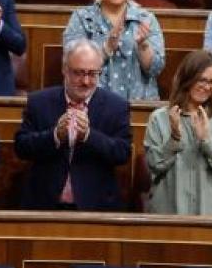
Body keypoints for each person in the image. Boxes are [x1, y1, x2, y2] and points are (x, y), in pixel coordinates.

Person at [14, 38, 131, 211]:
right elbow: (22, 147)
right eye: (79, 73)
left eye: (93, 74)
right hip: (44, 206)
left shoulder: (116, 106)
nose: (86, 81)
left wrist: (89, 136)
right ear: (65, 70)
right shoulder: (39, 102)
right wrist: (55, 135)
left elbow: (122, 153)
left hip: (96, 208)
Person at [144, 50, 212, 216]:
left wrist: (207, 140)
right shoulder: (159, 118)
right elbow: (153, 165)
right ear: (187, 78)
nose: (207, 87)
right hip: (169, 215)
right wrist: (174, 138)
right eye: (202, 80)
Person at [62, 0, 165, 101]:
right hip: (93, 102)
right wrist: (106, 48)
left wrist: (143, 46)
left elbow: (156, 69)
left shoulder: (145, 18)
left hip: (138, 102)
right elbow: (71, 63)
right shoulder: (82, 18)